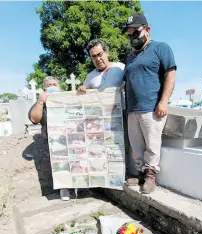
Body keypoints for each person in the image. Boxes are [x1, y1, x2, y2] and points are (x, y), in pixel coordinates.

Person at [123, 13, 177, 194]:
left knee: (152, 145)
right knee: (137, 147)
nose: (133, 37)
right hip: (132, 110)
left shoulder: (161, 48)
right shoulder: (130, 57)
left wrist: (163, 102)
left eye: (135, 32)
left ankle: (150, 176)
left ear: (147, 29)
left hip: (152, 108)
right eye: (130, 34)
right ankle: (139, 173)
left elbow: (170, 73)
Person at [78, 39, 136, 179]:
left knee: (127, 144)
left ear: (106, 52)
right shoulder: (90, 77)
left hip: (122, 114)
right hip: (101, 120)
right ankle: (111, 176)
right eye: (94, 56)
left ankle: (131, 174)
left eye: (100, 54)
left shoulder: (120, 68)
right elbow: (85, 95)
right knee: (107, 147)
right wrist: (82, 89)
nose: (98, 58)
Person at [28, 76, 71, 201]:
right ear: (44, 89)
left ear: (59, 87)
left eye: (54, 84)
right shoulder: (41, 103)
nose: (52, 87)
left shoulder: (67, 99)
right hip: (54, 142)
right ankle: (65, 189)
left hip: (72, 138)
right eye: (49, 85)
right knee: (61, 165)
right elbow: (34, 119)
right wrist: (41, 101)